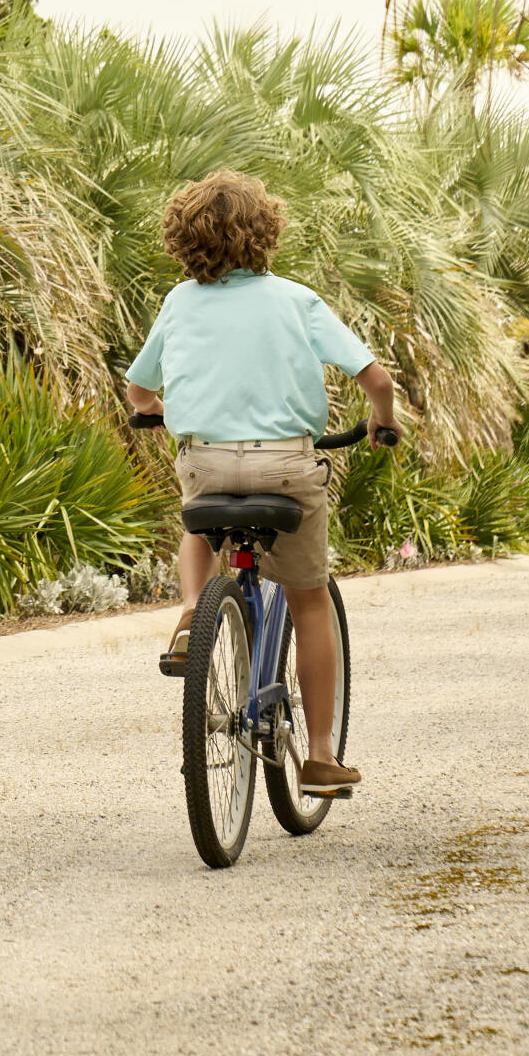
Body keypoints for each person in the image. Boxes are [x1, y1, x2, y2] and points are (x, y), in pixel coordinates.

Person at [121, 170, 397, 794]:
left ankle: (194, 611)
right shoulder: (297, 300)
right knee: (310, 597)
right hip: (287, 466)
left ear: (183, 238)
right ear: (266, 232)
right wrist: (382, 424)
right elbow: (376, 381)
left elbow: (140, 387)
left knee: (197, 511)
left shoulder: (179, 302)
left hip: (209, 464)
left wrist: (156, 411)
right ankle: (321, 756)